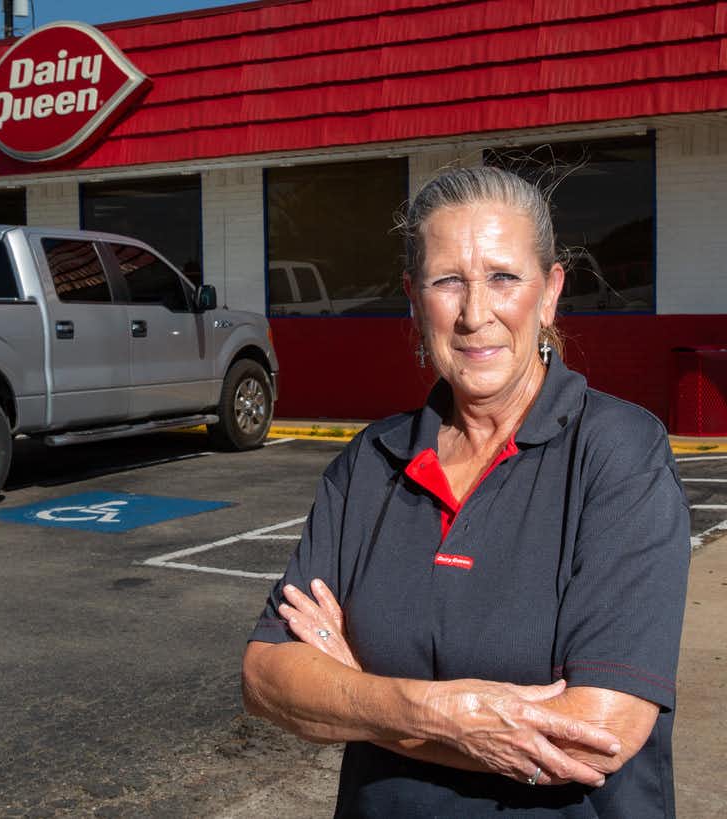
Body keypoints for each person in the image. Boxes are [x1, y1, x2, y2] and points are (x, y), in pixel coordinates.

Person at [242, 166, 691, 817]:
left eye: (504, 278)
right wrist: (443, 715)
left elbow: (599, 734)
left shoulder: (621, 453)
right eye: (448, 280)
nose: (475, 313)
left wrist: (358, 695)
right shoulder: (370, 463)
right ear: (413, 296)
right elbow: (265, 674)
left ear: (550, 292)